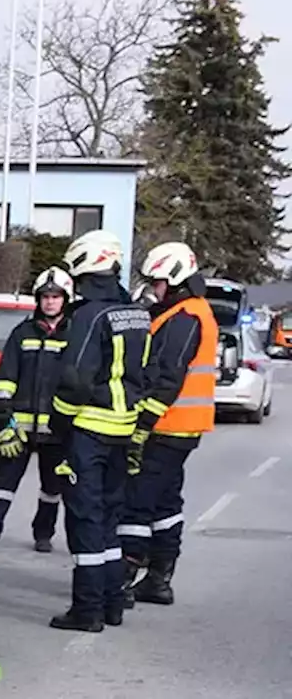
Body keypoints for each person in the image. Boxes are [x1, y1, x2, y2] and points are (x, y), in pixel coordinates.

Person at [48, 229, 151, 632]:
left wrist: (59, 423)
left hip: (89, 430)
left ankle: (87, 611)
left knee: (85, 521)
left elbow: (73, 378)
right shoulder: (136, 312)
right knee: (109, 519)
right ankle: (112, 604)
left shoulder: (89, 315)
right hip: (122, 430)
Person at [119, 242, 218, 608]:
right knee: (165, 503)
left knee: (137, 503)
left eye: (158, 282)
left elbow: (167, 375)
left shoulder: (184, 318)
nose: (154, 289)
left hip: (166, 425)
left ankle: (122, 578)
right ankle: (159, 578)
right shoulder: (189, 312)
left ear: (175, 280)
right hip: (182, 427)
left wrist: (143, 422)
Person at [0, 266, 74, 553]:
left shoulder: (75, 336)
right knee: (2, 486)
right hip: (18, 430)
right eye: (45, 296)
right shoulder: (21, 333)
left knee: (52, 488)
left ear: (66, 299)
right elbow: (5, 380)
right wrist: (4, 424)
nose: (50, 301)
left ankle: (43, 534)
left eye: (56, 296)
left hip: (56, 430)